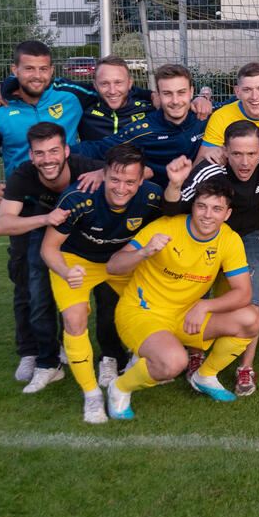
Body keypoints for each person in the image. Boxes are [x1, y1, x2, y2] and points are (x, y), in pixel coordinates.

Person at [0, 41, 87, 383]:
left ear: (51, 70)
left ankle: (71, 342)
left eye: (43, 68)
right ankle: (33, 351)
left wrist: (158, 95)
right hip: (25, 203)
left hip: (71, 202)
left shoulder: (70, 96)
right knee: (28, 282)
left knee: (77, 275)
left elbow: (115, 92)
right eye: (28, 69)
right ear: (15, 71)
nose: (36, 75)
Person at [105, 177, 259, 419]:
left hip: (186, 315)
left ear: (227, 214)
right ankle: (120, 387)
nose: (208, 215)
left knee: (252, 318)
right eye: (202, 206)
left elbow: (244, 292)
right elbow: (113, 266)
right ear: (193, 206)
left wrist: (204, 305)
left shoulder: (229, 239)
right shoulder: (165, 227)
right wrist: (144, 252)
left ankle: (205, 376)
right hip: (142, 313)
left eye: (217, 209)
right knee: (172, 363)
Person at [162, 120, 259, 395]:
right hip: (208, 236)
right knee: (198, 294)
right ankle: (197, 351)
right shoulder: (209, 170)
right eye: (236, 154)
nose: (245, 162)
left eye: (251, 154)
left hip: (248, 236)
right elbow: (172, 207)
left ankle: (246, 367)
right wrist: (174, 184)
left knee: (253, 303)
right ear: (225, 151)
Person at [40, 144, 163, 423]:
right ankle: (91, 394)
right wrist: (64, 270)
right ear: (103, 174)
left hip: (121, 260)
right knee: (74, 319)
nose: (122, 188)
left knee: (150, 308)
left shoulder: (152, 196)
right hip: (77, 261)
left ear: (141, 180)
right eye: (115, 179)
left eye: (130, 181)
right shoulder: (77, 197)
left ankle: (136, 360)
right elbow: (48, 249)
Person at [0, 122, 104, 392]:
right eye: (39, 153)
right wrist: (45, 218)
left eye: (53, 151)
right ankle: (47, 362)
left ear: (66, 151)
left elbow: (141, 171)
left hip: (82, 235)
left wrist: (104, 171)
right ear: (31, 156)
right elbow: (0, 224)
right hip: (44, 231)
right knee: (37, 294)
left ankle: (111, 355)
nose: (47, 159)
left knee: (103, 291)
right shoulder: (25, 174)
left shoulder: (83, 165)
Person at [72, 64, 208, 183]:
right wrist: (59, 151)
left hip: (203, 200)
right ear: (158, 95)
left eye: (181, 92)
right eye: (167, 93)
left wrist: (203, 99)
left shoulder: (206, 116)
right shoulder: (142, 130)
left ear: (191, 92)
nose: (175, 100)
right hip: (160, 201)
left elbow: (229, 107)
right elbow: (97, 148)